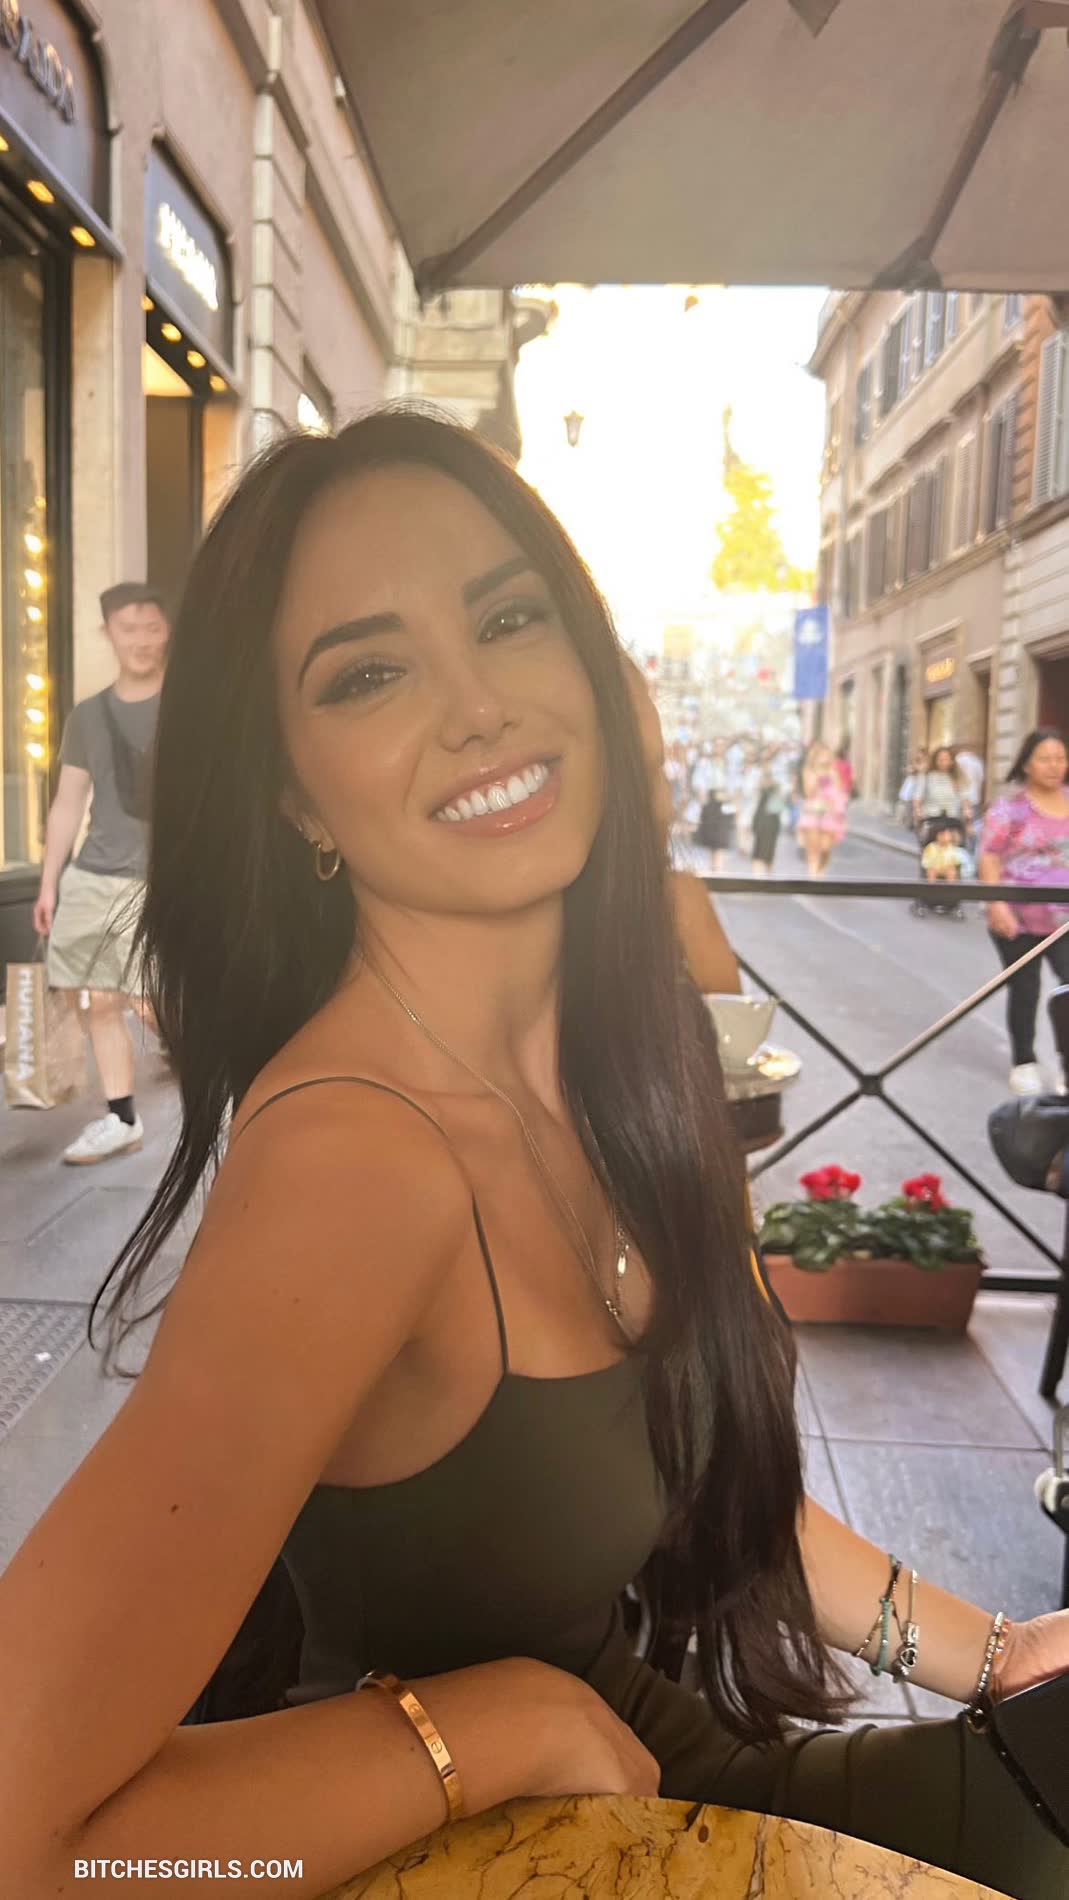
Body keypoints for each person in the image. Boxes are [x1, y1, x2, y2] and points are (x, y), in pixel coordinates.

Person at [1, 413, 1065, 1900]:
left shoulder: (622, 1063)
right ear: (294, 793)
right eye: (369, 674)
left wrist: (996, 1652)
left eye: (507, 620)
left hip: (663, 1793)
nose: (479, 705)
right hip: (485, 1843)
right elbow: (29, 1834)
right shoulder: (354, 1166)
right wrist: (484, 1732)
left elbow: (703, 1477)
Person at [32, 582, 169, 1165]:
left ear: (168, 631)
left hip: (160, 878)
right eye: (128, 628)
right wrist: (48, 883)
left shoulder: (190, 708)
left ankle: (199, 1054)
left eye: (152, 627)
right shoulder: (88, 716)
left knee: (148, 996)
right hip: (93, 875)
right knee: (98, 999)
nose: (141, 640)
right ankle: (122, 1118)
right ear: (108, 633)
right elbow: (68, 803)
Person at [623, 657, 741, 995]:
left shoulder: (679, 902)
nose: (666, 803)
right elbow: (729, 1019)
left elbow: (727, 1017)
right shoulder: (677, 902)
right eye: (647, 773)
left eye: (657, 770)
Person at [981, 728, 1069, 1097]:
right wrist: (995, 903)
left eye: (1060, 758)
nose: (1054, 766)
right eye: (1045, 759)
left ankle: (1068, 1067)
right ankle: (1024, 1062)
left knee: (1068, 987)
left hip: (1065, 922)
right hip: (1018, 918)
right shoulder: (1010, 809)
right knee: (1025, 988)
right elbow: (989, 855)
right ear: (1027, 764)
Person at [796, 739, 849, 878]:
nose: (825, 759)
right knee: (813, 850)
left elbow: (840, 791)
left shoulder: (834, 771)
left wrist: (832, 775)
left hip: (830, 814)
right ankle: (813, 876)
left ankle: (821, 871)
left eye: (828, 756)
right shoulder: (809, 770)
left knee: (826, 848)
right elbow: (809, 792)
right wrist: (819, 775)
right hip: (813, 813)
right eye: (822, 756)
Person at [914, 745, 971, 831]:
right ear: (935, 760)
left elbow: (965, 797)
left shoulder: (957, 778)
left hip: (952, 819)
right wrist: (918, 812)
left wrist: (967, 811)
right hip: (931, 818)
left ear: (952, 761)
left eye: (946, 759)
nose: (943, 762)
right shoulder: (926, 776)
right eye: (940, 759)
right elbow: (918, 796)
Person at [751, 766, 786, 877]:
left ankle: (764, 876)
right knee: (762, 853)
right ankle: (762, 876)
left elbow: (778, 807)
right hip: (765, 823)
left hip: (768, 824)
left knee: (765, 853)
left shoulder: (774, 790)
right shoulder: (767, 790)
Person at [922, 823, 969, 888]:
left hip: (947, 868)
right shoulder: (931, 847)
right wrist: (932, 866)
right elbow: (926, 862)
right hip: (935, 867)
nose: (944, 837)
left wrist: (952, 866)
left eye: (947, 834)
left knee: (952, 871)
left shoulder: (952, 848)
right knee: (931, 871)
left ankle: (951, 888)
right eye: (942, 834)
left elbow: (955, 861)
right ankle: (931, 888)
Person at [898, 746, 929, 830]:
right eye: (918, 753)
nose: (919, 755)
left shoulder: (926, 763)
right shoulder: (915, 762)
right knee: (909, 804)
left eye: (921, 754)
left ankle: (916, 823)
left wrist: (915, 767)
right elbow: (909, 770)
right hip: (912, 785)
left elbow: (921, 769)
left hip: (921, 785)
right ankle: (909, 822)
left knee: (918, 804)